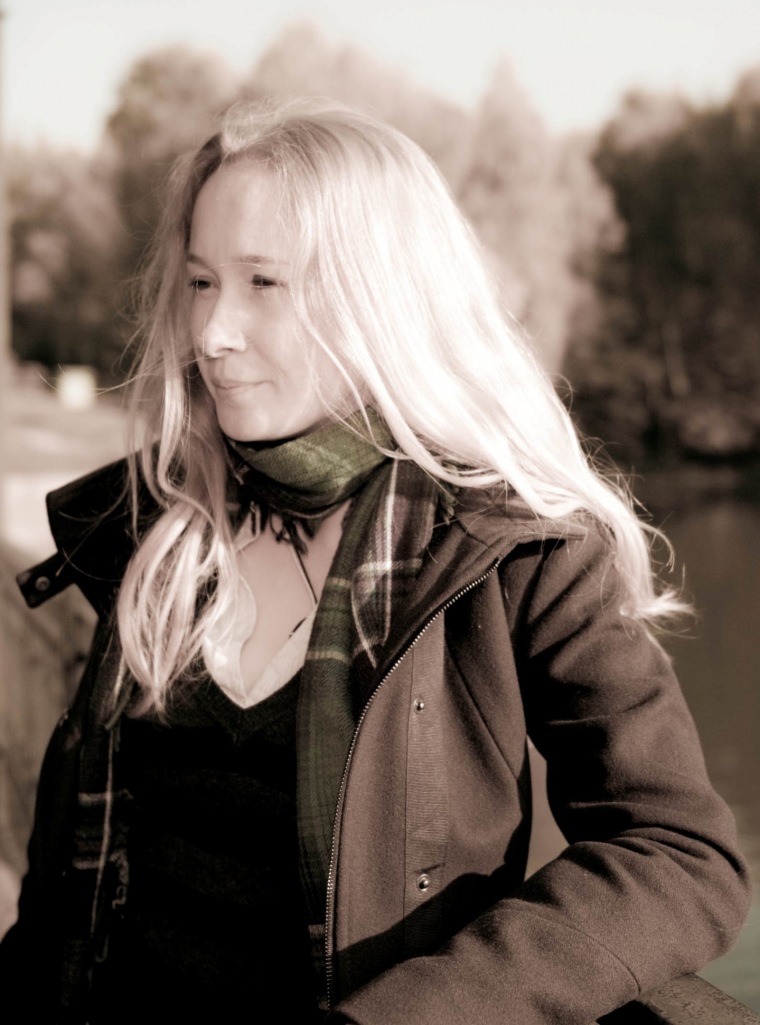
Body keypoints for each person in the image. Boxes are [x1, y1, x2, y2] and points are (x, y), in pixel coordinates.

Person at [0, 98, 750, 1024]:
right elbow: (56, 905)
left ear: (379, 295)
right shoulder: (152, 523)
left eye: (264, 282)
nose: (212, 331)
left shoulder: (514, 546)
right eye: (200, 280)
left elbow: (677, 854)